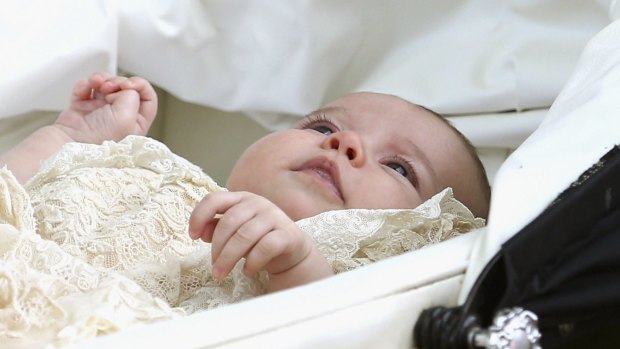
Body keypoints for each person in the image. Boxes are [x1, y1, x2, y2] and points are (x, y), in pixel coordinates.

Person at [0, 72, 490, 294]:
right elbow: (13, 202)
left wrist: (296, 265)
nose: (346, 145)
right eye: (323, 128)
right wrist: (71, 139)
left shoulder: (331, 277)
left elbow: (323, 329)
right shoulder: (159, 179)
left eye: (399, 167)